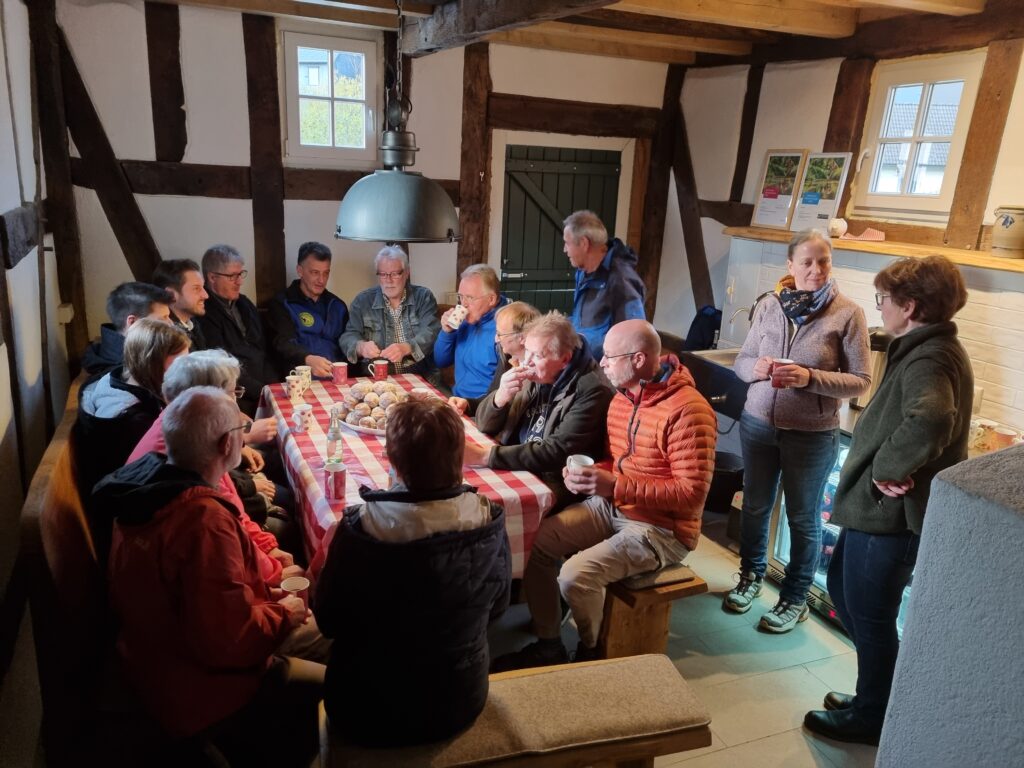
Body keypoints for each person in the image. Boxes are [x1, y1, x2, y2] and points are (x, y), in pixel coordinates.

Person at [95, 387, 324, 767]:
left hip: (153, 654)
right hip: (200, 688)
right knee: (337, 642)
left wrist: (269, 586)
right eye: (241, 428)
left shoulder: (147, 485)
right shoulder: (202, 521)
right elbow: (230, 641)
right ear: (225, 444)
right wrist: (285, 612)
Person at [804, 255, 972, 746]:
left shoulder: (930, 356)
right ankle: (876, 697)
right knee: (847, 595)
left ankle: (874, 716)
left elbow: (932, 418)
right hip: (877, 513)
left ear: (910, 306)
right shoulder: (923, 348)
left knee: (871, 614)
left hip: (893, 517)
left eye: (884, 299)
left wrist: (888, 468)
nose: (880, 307)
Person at [492, 319, 716, 669]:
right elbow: (618, 461)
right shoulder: (622, 398)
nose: (602, 363)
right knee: (537, 543)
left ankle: (591, 652)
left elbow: (691, 494)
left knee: (575, 575)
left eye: (610, 356)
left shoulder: (689, 410)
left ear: (638, 360)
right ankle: (549, 643)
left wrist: (614, 485)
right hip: (615, 506)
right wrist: (590, 474)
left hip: (663, 529)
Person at [314, 399, 510, 747]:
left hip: (366, 708)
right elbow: (498, 608)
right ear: (460, 457)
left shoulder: (361, 528)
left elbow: (328, 620)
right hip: (459, 700)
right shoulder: (488, 517)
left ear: (392, 461)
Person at [726, 229, 870, 633]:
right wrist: (753, 368)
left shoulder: (848, 314)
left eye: (823, 261)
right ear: (790, 265)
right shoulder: (770, 305)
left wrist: (810, 377)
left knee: (803, 518)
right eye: (806, 261)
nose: (815, 269)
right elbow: (742, 360)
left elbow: (861, 381)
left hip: (812, 434)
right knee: (755, 506)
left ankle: (795, 597)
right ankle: (750, 576)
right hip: (758, 424)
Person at [127, 350, 295, 587]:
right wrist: (275, 577)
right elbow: (223, 582)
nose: (236, 403)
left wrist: (269, 550)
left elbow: (234, 511)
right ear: (206, 399)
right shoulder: (187, 461)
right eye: (232, 393)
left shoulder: (189, 432)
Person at [469, 312, 614, 509]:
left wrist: (485, 456)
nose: (527, 362)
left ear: (565, 359)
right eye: (527, 351)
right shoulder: (536, 374)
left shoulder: (592, 390)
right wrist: (500, 398)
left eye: (537, 356)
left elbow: (556, 451)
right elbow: (484, 425)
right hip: (515, 463)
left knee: (484, 509)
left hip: (552, 481)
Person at [75, 318, 191, 499]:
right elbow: (167, 476)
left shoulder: (117, 380)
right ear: (151, 363)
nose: (186, 371)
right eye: (179, 363)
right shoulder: (134, 420)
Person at [195, 244, 280, 417]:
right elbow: (222, 367)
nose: (239, 281)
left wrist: (274, 386)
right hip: (236, 394)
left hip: (264, 386)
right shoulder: (204, 313)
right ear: (212, 277)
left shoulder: (244, 304)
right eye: (232, 276)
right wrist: (263, 391)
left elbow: (263, 350)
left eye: (240, 274)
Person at [339, 245, 440, 379]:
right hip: (376, 379)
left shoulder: (423, 297)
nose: (389, 280)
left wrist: (407, 347)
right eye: (383, 274)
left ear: (406, 273)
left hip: (420, 376)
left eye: (394, 274)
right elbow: (348, 336)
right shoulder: (362, 301)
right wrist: (360, 346)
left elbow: (431, 332)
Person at [563, 210, 646, 360]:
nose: (565, 249)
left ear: (584, 243)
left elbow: (634, 337)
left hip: (604, 367)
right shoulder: (583, 272)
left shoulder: (621, 279)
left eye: (567, 243)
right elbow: (584, 321)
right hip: (583, 361)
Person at [267, 241, 347, 378]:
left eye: (326, 273)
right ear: (300, 271)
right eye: (315, 273)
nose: (321, 280)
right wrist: (307, 359)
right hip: (300, 379)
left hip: (337, 379)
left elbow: (347, 343)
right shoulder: (282, 303)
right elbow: (283, 344)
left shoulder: (337, 305)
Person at [448, 300, 540, 417]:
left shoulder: (538, 373)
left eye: (500, 334)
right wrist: (468, 404)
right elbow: (493, 397)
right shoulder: (507, 357)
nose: (496, 339)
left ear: (522, 337)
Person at [433, 264, 508, 399]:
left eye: (470, 297)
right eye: (461, 297)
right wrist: (446, 332)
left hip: (482, 405)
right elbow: (441, 362)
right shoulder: (465, 320)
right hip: (457, 398)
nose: (463, 304)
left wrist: (472, 406)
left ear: (491, 299)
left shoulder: (505, 329)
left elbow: (504, 392)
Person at [82, 282, 174, 375]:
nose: (171, 324)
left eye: (168, 316)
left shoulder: (118, 352)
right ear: (133, 322)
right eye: (163, 318)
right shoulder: (124, 373)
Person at [152, 258, 208, 350]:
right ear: (170, 294)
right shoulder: (166, 337)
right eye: (196, 288)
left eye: (203, 287)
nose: (206, 295)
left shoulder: (192, 322)